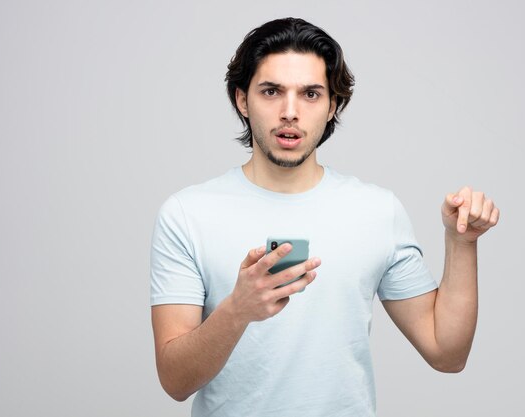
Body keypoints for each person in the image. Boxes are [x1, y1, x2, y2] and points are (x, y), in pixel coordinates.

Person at [150, 17, 499, 417]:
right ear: (242, 100)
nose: (290, 112)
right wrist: (238, 309)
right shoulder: (187, 214)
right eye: (271, 91)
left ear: (333, 105)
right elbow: (175, 382)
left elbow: (447, 352)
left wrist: (462, 242)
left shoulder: (376, 211)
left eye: (311, 94)